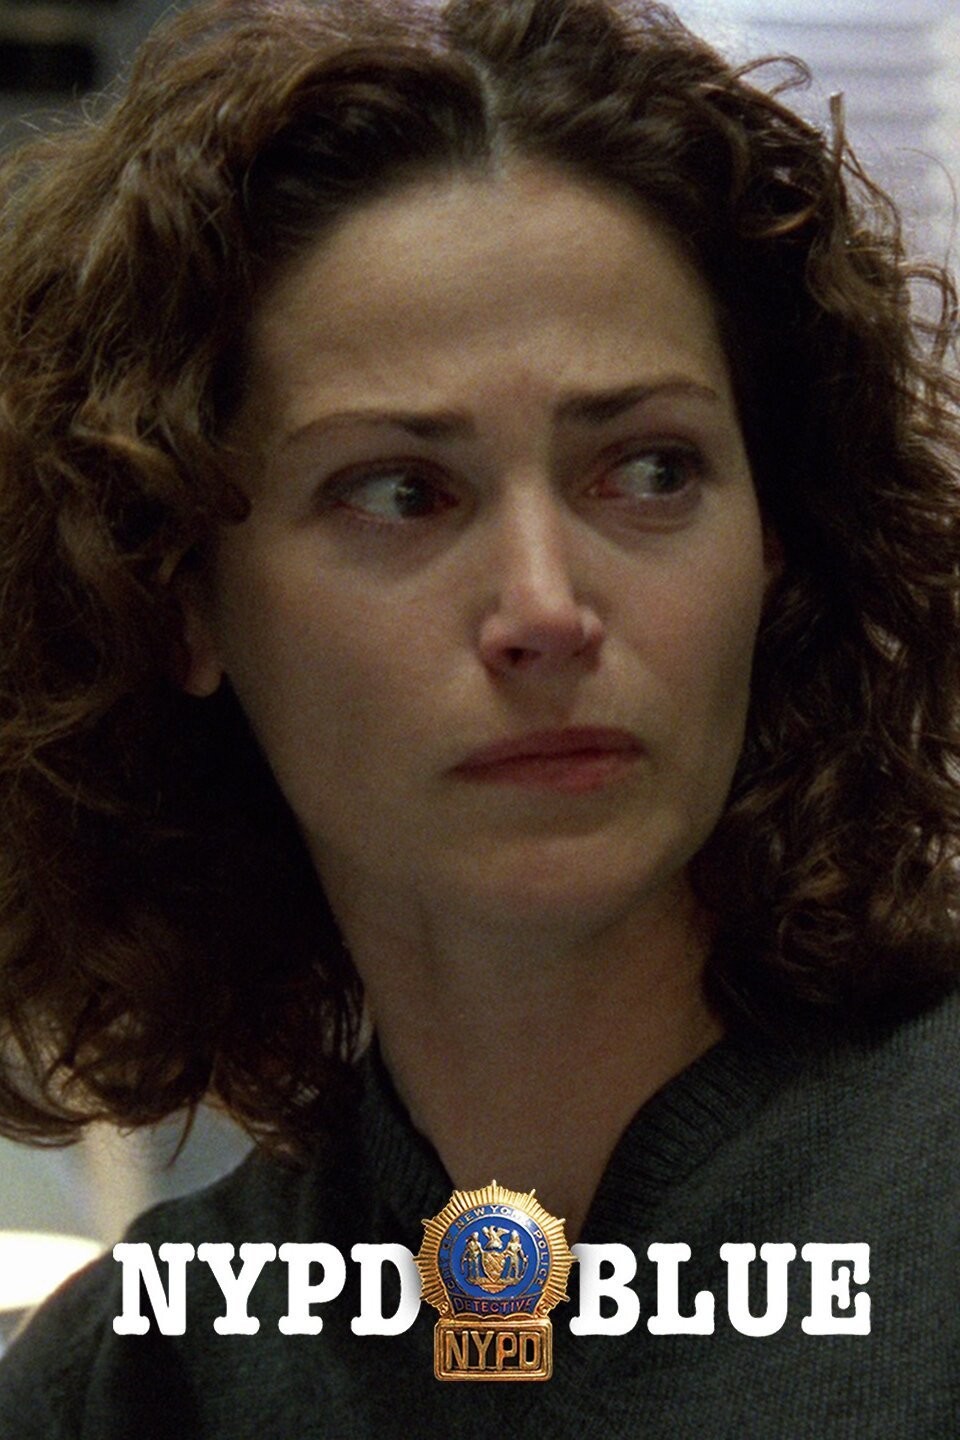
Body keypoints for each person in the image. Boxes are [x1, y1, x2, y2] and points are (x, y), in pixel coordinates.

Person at [0, 0, 957, 1433]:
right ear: (180, 600)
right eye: (400, 492)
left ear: (777, 538)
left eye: (650, 470)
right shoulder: (141, 1383)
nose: (545, 607)